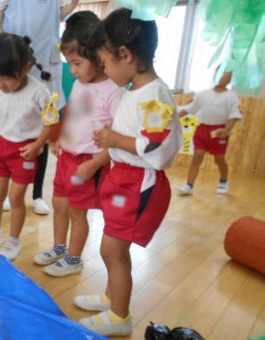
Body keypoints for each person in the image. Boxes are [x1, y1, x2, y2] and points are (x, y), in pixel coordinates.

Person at [74, 8, 181, 336]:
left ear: (126, 54)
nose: (104, 70)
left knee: (112, 249)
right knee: (112, 246)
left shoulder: (154, 97)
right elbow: (133, 138)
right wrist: (109, 146)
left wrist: (115, 139)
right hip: (122, 179)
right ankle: (111, 296)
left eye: (105, 62)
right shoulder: (136, 91)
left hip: (137, 185)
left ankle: (120, 316)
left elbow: (159, 149)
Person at [33, 11, 123, 277]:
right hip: (67, 158)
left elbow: (118, 138)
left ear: (97, 56)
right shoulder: (80, 84)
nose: (72, 71)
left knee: (77, 212)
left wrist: (95, 164)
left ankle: (74, 259)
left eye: (77, 63)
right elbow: (75, 116)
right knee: (59, 205)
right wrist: (62, 138)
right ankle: (59, 247)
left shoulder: (113, 90)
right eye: (69, 64)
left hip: (89, 163)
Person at [0, 0, 79, 215]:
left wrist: (73, 3)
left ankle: (37, 194)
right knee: (8, 126)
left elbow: (57, 16)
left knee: (41, 132)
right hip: (12, 64)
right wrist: (6, 55)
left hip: (44, 63)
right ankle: (9, 191)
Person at [0, 33, 56, 261]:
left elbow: (49, 121)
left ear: (25, 69)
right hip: (0, 148)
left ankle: (13, 239)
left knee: (15, 198)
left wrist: (38, 145)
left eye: (5, 78)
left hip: (24, 151)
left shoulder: (39, 92)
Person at [177, 70, 241, 195]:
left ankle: (223, 181)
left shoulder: (231, 97)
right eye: (220, 75)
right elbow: (190, 108)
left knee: (219, 159)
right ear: (215, 75)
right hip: (202, 130)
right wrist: (174, 117)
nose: (222, 78)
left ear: (230, 80)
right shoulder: (203, 94)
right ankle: (189, 185)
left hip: (219, 131)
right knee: (197, 157)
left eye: (225, 77)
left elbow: (234, 115)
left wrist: (227, 130)